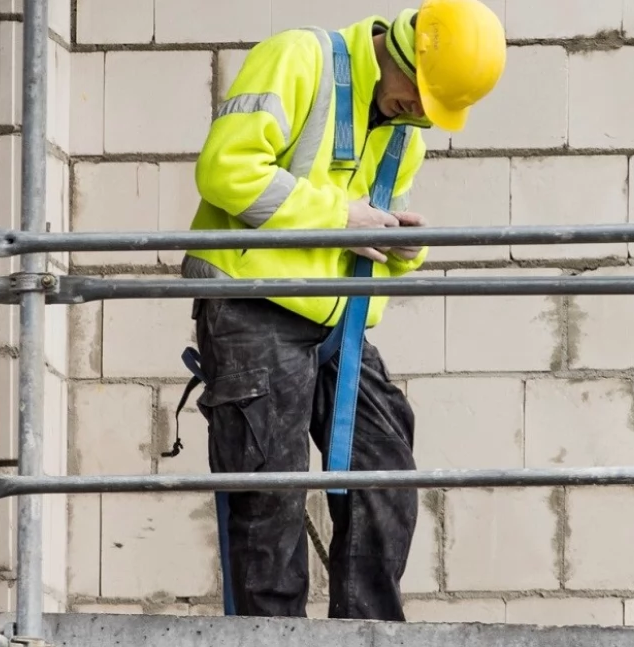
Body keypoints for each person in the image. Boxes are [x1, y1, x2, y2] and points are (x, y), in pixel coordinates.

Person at [172, 0, 506, 621]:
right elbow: (225, 170)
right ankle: (273, 638)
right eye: (420, 93)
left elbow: (368, 231)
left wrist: (404, 248)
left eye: (433, 106)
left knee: (386, 477)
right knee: (271, 498)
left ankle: (368, 632)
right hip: (253, 307)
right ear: (402, 50)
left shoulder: (403, 127)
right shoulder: (301, 58)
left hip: (339, 323)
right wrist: (337, 216)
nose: (420, 110)